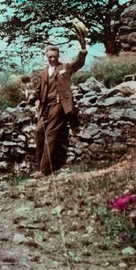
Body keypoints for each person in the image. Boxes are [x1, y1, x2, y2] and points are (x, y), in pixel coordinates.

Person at [33, 23, 87, 177]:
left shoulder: (65, 67)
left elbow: (78, 63)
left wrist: (83, 50)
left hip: (58, 104)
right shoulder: (43, 73)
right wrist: (36, 100)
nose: (52, 59)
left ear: (58, 57)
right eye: (49, 57)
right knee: (38, 132)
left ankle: (44, 170)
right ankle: (38, 167)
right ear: (47, 57)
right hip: (45, 106)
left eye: (54, 57)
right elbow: (39, 90)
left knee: (51, 133)